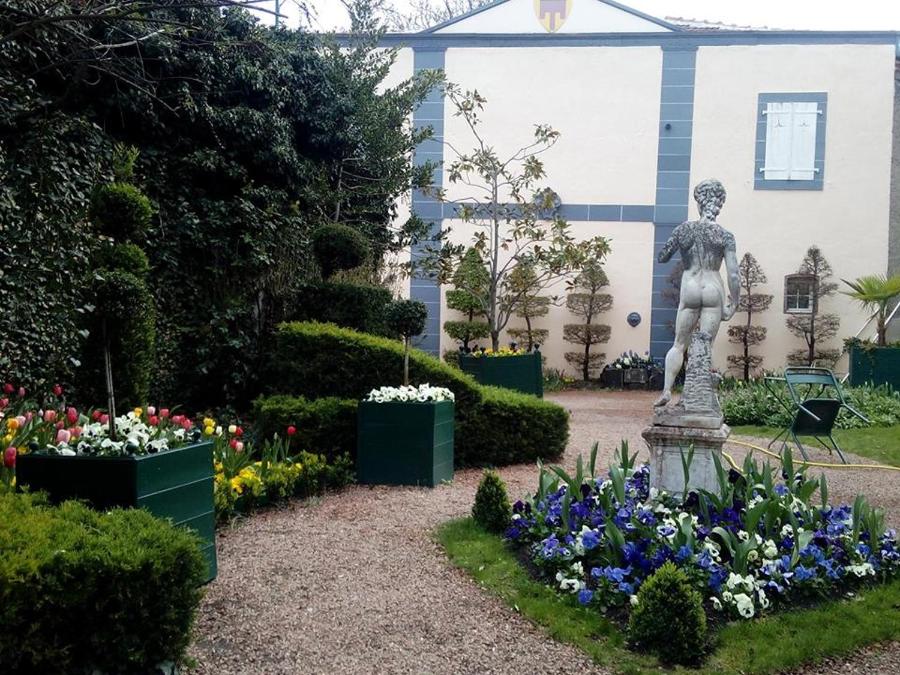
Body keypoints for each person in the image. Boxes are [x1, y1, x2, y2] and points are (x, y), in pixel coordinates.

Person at [655, 179, 740, 408]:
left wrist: (678, 242)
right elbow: (734, 274)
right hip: (713, 288)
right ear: (718, 205)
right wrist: (735, 302)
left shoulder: (684, 229)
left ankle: (667, 390)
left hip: (690, 287)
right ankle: (699, 396)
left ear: (699, 203)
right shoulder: (725, 236)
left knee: (678, 344)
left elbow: (662, 256)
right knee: (705, 346)